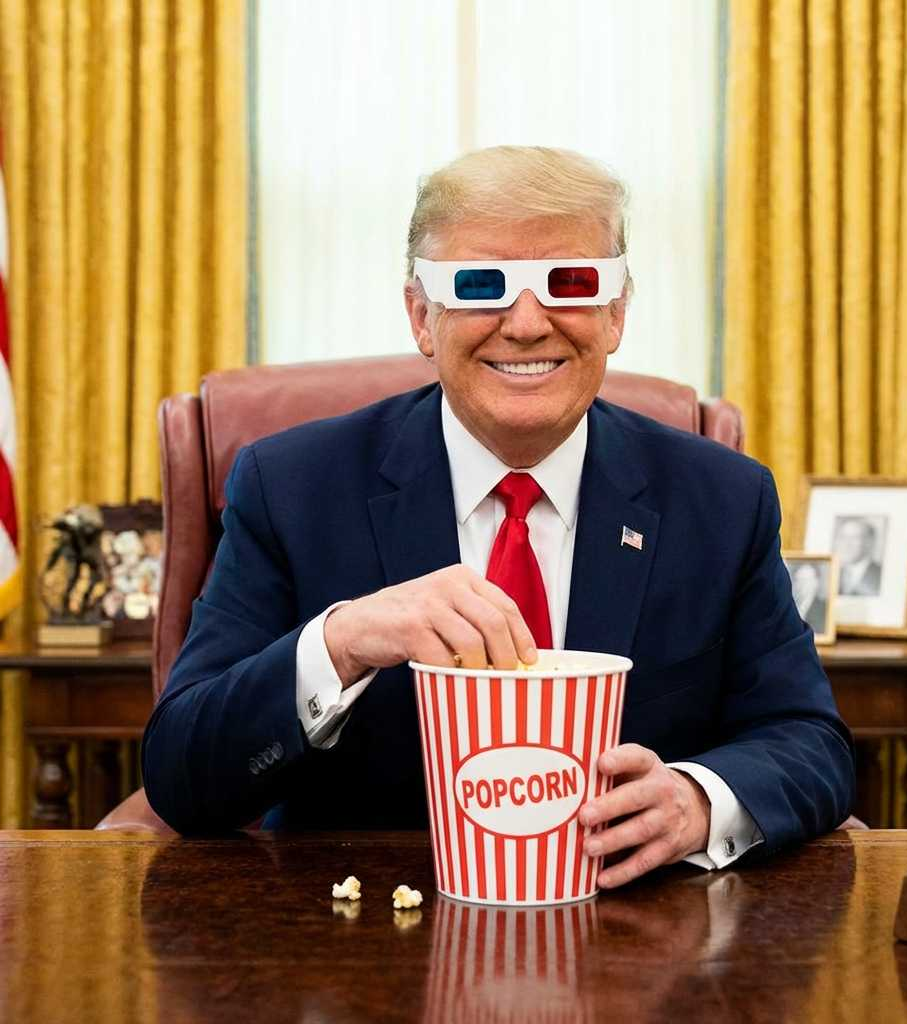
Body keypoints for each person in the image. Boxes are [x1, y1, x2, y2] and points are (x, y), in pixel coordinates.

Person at [142, 146, 855, 884]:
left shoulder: (722, 499)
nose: (526, 324)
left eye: (570, 283)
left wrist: (698, 802)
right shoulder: (293, 488)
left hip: (637, 923)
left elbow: (810, 741)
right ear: (422, 316)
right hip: (362, 925)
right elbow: (180, 772)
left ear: (615, 313)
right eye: (481, 285)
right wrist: (343, 641)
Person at [834, 517, 883, 596]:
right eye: (843, 537)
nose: (846, 544)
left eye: (855, 537)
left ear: (869, 542)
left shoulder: (882, 574)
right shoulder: (832, 573)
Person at [791, 562, 827, 636]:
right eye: (798, 580)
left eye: (806, 581)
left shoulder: (825, 608)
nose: (801, 586)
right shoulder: (789, 607)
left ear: (816, 583)